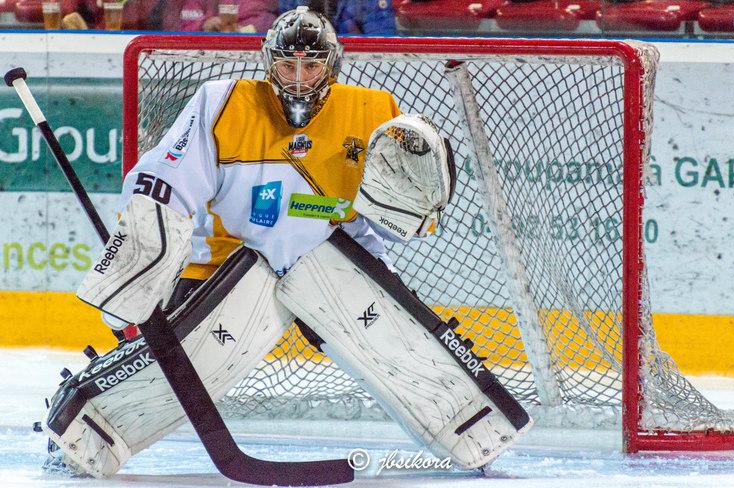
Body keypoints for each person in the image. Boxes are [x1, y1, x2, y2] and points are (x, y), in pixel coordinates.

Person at [41, 7, 530, 479]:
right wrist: (140, 254)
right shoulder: (223, 102)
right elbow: (165, 181)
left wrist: (416, 207)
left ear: (331, 65)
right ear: (267, 60)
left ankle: (475, 433)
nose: (298, 77)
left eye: (311, 65)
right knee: (180, 364)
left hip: (335, 262)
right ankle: (85, 426)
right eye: (286, 64)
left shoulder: (372, 111)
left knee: (401, 352)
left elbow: (394, 223)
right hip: (228, 266)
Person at [280, 0, 397, 35]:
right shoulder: (290, 3)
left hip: (355, 66)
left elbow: (383, 44)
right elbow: (279, 34)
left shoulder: (368, 3)